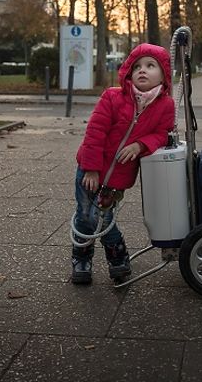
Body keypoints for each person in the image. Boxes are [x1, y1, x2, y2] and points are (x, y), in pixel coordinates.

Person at [70, 43, 176, 285]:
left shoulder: (165, 105)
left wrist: (140, 145)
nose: (142, 70)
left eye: (151, 66)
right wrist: (91, 168)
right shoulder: (112, 97)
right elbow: (95, 133)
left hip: (117, 179)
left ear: (163, 74)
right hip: (90, 171)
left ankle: (116, 257)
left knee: (105, 219)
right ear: (128, 72)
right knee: (87, 216)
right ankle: (82, 257)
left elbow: (162, 133)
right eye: (137, 66)